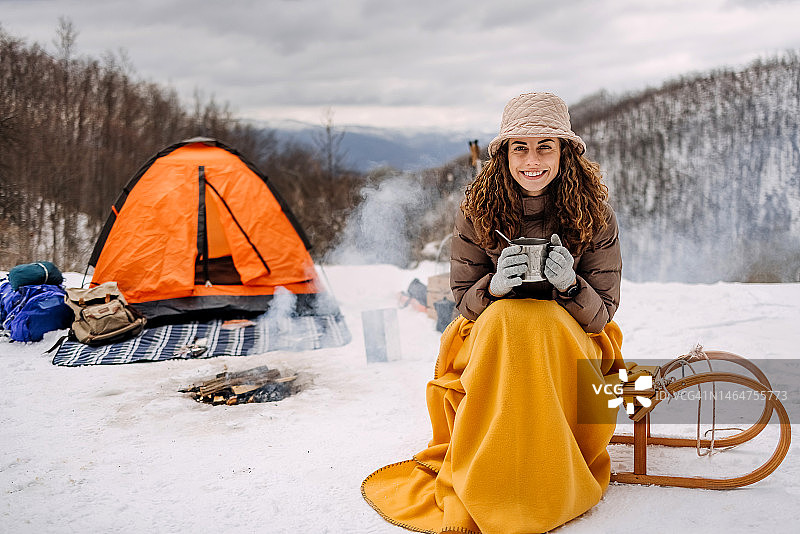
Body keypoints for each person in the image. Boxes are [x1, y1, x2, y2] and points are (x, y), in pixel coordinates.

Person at [362, 92, 625, 534]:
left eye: (545, 146)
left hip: (570, 340)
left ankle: (533, 479)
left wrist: (571, 286)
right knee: (509, 322)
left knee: (533, 324)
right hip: (491, 336)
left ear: (566, 152)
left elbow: (602, 315)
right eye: (519, 147)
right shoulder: (477, 211)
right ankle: (502, 481)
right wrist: (495, 286)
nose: (532, 160)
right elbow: (463, 299)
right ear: (503, 154)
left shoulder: (595, 215)